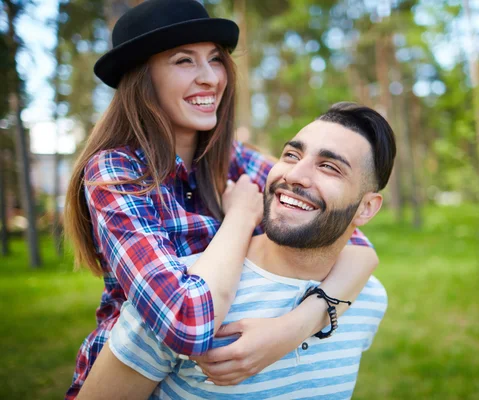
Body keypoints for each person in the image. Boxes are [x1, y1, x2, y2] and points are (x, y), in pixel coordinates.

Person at [63, 1, 378, 398]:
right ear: (143, 78)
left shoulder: (234, 159)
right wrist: (240, 217)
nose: (210, 77)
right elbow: (185, 322)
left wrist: (291, 329)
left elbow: (351, 240)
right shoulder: (117, 173)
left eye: (215, 59)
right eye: (183, 61)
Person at [78, 102, 396, 399]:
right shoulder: (180, 294)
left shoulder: (367, 299)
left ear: (366, 208)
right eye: (290, 155)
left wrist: (296, 326)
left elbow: (360, 249)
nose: (295, 175)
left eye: (329, 167)